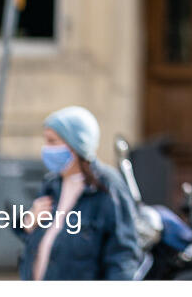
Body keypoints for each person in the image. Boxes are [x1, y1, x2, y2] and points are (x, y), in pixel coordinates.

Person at [19, 105, 140, 281]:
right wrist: (29, 223)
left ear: (76, 145)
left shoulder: (107, 187)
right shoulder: (52, 184)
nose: (46, 149)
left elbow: (122, 256)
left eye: (52, 141)